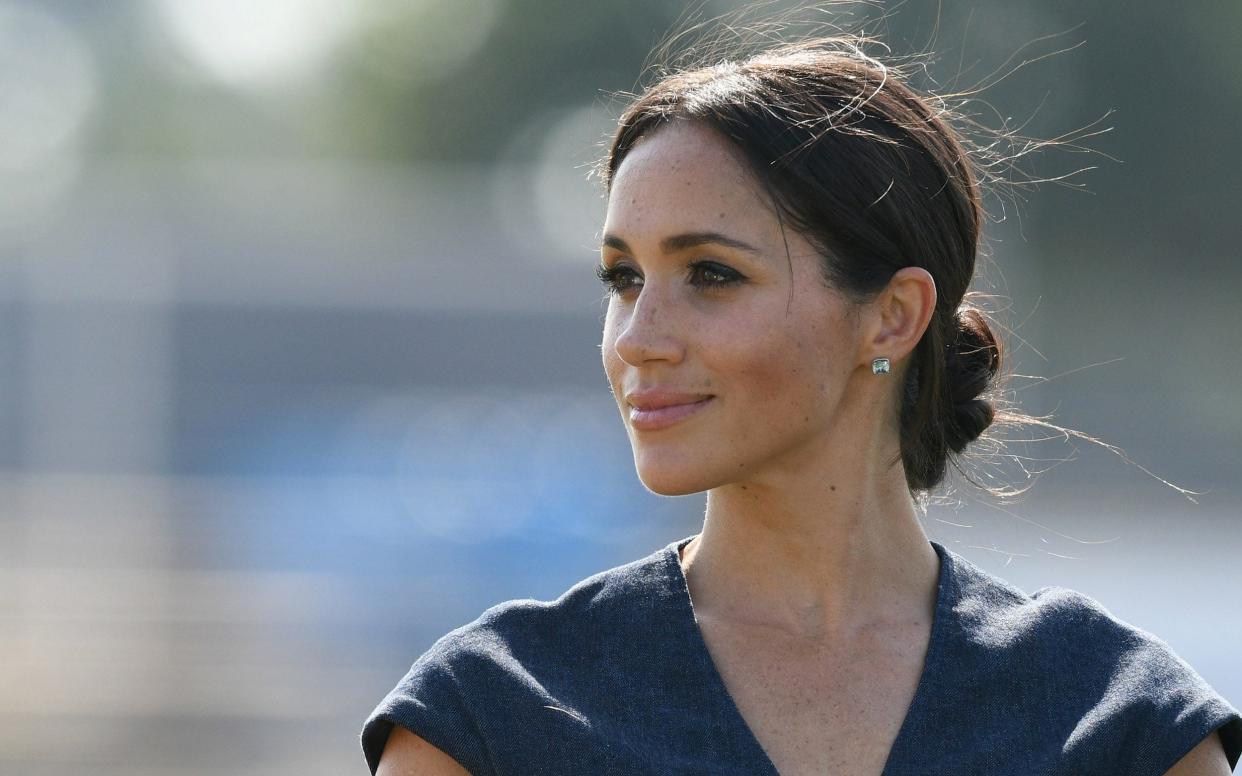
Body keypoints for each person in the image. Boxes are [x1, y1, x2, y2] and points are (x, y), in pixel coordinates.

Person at [361, 28, 1242, 776]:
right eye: (624, 278)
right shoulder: (490, 717)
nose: (638, 337)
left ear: (892, 317)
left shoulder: (1115, 721)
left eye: (711, 274)